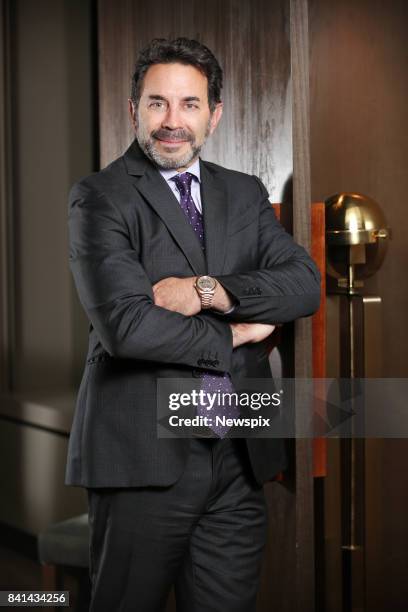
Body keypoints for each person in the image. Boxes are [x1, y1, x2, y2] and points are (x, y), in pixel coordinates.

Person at [66, 37, 320, 612]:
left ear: (215, 114)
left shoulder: (244, 192)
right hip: (141, 459)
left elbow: (303, 284)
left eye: (189, 104)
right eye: (157, 103)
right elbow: (128, 327)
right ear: (133, 110)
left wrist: (213, 291)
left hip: (238, 458)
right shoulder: (100, 199)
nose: (172, 122)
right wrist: (236, 328)